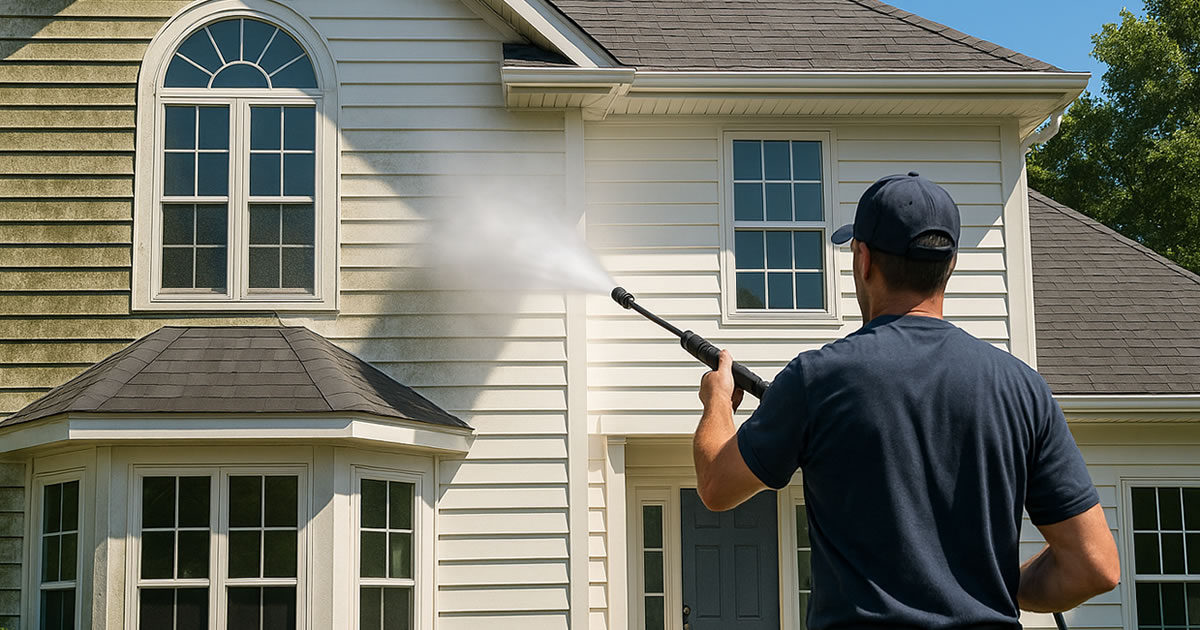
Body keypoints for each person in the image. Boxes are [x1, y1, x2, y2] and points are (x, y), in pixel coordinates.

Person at [693, 173, 1120, 629]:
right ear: (950, 264)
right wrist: (986, 587)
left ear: (863, 259)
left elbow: (718, 485)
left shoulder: (817, 379)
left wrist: (717, 401)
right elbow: (1094, 567)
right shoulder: (1023, 389)